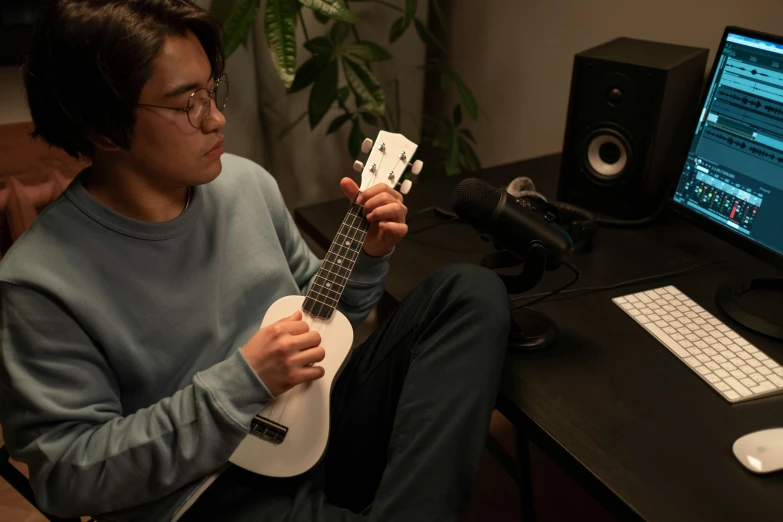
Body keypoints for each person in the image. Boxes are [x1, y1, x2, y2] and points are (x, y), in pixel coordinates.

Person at [0, 1, 511, 521]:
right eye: (188, 104)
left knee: (469, 292)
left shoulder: (244, 183)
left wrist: (367, 258)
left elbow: (324, 324)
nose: (217, 117)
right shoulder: (38, 281)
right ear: (104, 128)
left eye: (212, 90)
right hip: (203, 493)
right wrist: (244, 383)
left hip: (317, 418)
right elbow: (66, 477)